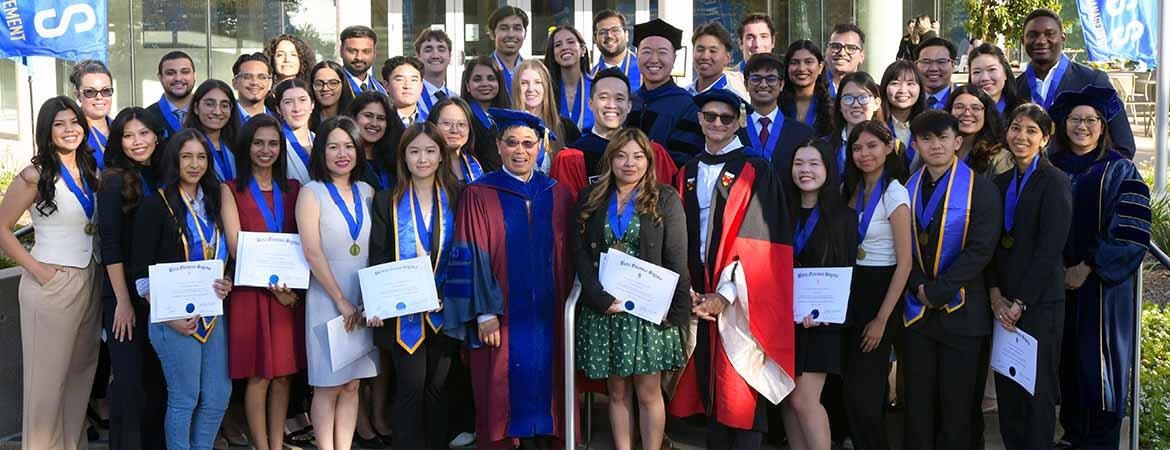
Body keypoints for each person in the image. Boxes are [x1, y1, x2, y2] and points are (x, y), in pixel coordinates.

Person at [667, 89, 795, 450]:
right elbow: (677, 235)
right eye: (710, 117)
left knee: (741, 388)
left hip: (740, 298)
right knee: (709, 392)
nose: (717, 124)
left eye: (726, 118)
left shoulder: (756, 169)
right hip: (698, 295)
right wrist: (689, 290)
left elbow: (761, 243)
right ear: (700, 120)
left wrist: (724, 295)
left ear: (738, 122)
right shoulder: (688, 171)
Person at [442, 108, 575, 450]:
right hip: (500, 315)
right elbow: (470, 253)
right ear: (499, 146)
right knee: (500, 390)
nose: (520, 151)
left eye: (528, 144)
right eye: (512, 142)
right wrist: (484, 313)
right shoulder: (479, 193)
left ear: (539, 147)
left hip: (547, 315)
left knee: (549, 386)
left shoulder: (557, 193)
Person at [572, 127, 689, 450]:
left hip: (648, 314)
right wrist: (598, 297)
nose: (629, 163)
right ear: (610, 160)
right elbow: (579, 253)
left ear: (648, 160)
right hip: (607, 309)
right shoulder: (591, 197)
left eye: (638, 156)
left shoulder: (665, 198)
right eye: (621, 156)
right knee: (617, 392)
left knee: (648, 393)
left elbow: (677, 258)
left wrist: (676, 313)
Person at [1047, 86, 1150, 450]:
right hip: (1056, 286)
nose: (1082, 126)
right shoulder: (1051, 167)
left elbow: (1131, 230)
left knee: (1100, 368)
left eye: (1091, 120)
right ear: (1063, 124)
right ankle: (1072, 436)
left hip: (1103, 291)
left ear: (1103, 126)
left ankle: (1099, 442)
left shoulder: (1121, 169)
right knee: (1066, 364)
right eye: (1075, 119)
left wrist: (1088, 265)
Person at [0, 97, 101, 450]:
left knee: (79, 376)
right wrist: (38, 271)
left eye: (74, 122)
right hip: (53, 283)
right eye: (60, 124)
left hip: (90, 277)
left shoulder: (90, 168)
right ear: (47, 130)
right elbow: (2, 228)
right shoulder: (35, 175)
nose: (70, 129)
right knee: (45, 384)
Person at [900, 110, 1001, 450]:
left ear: (958, 141)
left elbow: (981, 250)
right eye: (926, 139)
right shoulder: (907, 189)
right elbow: (902, 249)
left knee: (958, 406)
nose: (935, 146)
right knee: (918, 402)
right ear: (916, 144)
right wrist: (918, 286)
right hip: (918, 314)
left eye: (943, 138)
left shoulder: (981, 189)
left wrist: (939, 290)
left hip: (963, 313)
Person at [130, 128, 235, 450]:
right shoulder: (156, 205)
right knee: (184, 398)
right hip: (172, 318)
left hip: (212, 314)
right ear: (174, 160)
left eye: (201, 157)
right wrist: (167, 315)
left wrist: (227, 280)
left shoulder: (215, 202)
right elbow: (140, 271)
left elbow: (222, 253)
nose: (194, 164)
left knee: (218, 396)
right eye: (186, 156)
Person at [366, 123, 463, 450]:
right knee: (410, 387)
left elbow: (464, 253)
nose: (423, 159)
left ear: (441, 156)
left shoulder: (457, 197)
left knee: (438, 389)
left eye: (430, 151)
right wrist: (376, 302)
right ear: (403, 157)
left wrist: (450, 296)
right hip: (402, 314)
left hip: (444, 310)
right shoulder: (386, 201)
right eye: (415, 151)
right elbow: (379, 256)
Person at [218, 114, 305, 450]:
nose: (265, 150)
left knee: (283, 375)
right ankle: (261, 445)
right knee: (259, 375)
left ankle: (277, 444)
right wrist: (275, 287)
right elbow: (235, 246)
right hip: (252, 292)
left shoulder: (293, 189)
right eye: (258, 143)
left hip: (289, 293)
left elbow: (302, 242)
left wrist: (287, 292)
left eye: (273, 143)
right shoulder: (231, 189)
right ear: (246, 146)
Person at [988, 103, 1072, 450]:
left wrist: (1021, 302)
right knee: (1008, 388)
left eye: (1031, 131)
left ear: (1045, 139)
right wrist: (995, 294)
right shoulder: (1000, 181)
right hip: (1003, 304)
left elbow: (1050, 248)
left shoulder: (1054, 181)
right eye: (1016, 128)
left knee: (1036, 391)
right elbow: (991, 243)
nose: (1021, 136)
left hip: (1039, 303)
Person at [295, 116, 380, 450]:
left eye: (348, 146)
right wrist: (340, 300)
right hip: (327, 297)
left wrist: (370, 300)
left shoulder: (367, 191)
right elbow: (312, 251)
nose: (342, 154)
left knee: (352, 384)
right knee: (328, 384)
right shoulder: (311, 193)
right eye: (333, 147)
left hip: (362, 297)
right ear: (321, 152)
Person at [96, 107, 168, 450]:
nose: (137, 142)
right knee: (129, 384)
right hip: (123, 295)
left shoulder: (165, 175)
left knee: (158, 382)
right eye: (128, 135)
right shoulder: (112, 181)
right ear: (118, 141)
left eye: (144, 133)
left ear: (157, 136)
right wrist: (123, 302)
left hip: (160, 292)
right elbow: (110, 244)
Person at [778, 139, 857, 450]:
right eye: (799, 163)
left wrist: (826, 311)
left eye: (814, 163)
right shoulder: (780, 213)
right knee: (787, 397)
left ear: (828, 169)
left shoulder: (843, 218)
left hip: (823, 324)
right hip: (785, 320)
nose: (805, 170)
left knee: (804, 399)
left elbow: (847, 273)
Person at [840, 121, 912, 450]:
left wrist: (882, 319)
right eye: (857, 148)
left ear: (888, 147)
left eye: (872, 146)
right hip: (851, 288)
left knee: (866, 387)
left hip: (880, 290)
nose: (864, 154)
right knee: (850, 383)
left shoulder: (895, 192)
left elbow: (905, 262)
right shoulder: (852, 188)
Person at [1014, 8, 1135, 158]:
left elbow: (1124, 146)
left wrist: (1088, 171)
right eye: (1033, 35)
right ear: (1023, 41)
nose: (1041, 40)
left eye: (1049, 34)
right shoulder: (1015, 88)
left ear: (1063, 38)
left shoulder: (1093, 81)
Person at [549, 67, 676, 197]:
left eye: (619, 99)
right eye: (603, 97)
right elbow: (564, 207)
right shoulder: (572, 157)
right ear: (590, 104)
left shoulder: (651, 152)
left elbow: (667, 201)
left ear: (629, 106)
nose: (611, 105)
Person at [628, 18, 705, 166]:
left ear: (674, 58)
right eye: (646, 51)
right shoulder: (629, 102)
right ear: (637, 56)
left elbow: (684, 161)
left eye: (662, 52)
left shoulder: (688, 106)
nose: (654, 59)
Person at [736, 53, 814, 169]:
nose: (763, 85)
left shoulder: (802, 133)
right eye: (756, 79)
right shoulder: (733, 130)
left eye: (771, 79)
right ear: (746, 85)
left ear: (781, 85)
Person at [512, 60, 581, 172]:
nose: (531, 89)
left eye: (538, 82)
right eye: (524, 83)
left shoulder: (566, 128)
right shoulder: (505, 129)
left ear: (546, 87)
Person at [946, 84, 1013, 178]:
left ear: (987, 114)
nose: (967, 113)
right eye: (959, 107)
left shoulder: (1000, 158)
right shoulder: (938, 149)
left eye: (975, 108)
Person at [829, 72, 886, 179]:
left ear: (877, 103)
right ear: (839, 105)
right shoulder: (825, 145)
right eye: (848, 98)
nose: (855, 104)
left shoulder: (891, 145)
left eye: (863, 98)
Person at [183, 79, 242, 183]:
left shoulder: (239, 145)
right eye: (209, 104)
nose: (217, 112)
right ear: (196, 108)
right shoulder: (182, 145)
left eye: (224, 105)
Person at [460, 56, 510, 171]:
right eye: (477, 79)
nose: (485, 83)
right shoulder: (462, 118)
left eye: (491, 78)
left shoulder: (508, 117)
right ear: (467, 86)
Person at [545, 25, 595, 131]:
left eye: (570, 42)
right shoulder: (546, 90)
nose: (564, 47)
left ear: (582, 50)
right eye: (558, 45)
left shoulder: (596, 87)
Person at [779, 40, 833, 137]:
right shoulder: (775, 104)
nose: (801, 68)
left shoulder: (833, 107)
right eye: (794, 62)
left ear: (820, 67)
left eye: (808, 62)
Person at [347, 91, 397, 191]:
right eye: (368, 115)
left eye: (381, 118)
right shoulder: (344, 157)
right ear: (353, 117)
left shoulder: (394, 158)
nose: (374, 123)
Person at [428, 97, 486, 183]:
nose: (454, 130)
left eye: (461, 124)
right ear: (433, 125)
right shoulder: (424, 163)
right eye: (447, 123)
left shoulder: (475, 165)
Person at [879, 60, 926, 163]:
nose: (903, 90)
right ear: (885, 87)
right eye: (895, 83)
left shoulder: (928, 126)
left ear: (920, 89)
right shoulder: (876, 125)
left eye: (910, 84)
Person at [71, 60, 114, 171]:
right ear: (78, 95)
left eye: (106, 91)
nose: (99, 97)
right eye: (90, 92)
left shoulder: (121, 128)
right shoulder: (70, 133)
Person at [688, 22, 748, 99]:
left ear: (727, 57)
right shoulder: (683, 95)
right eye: (700, 50)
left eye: (712, 51)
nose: (705, 56)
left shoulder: (734, 99)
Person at [146, 51, 197, 139]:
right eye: (170, 73)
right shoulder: (146, 117)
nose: (178, 78)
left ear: (194, 76)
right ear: (160, 78)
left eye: (185, 72)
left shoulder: (208, 114)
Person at [275, 79, 315, 184]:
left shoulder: (320, 139)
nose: (297, 108)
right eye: (288, 102)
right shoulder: (275, 144)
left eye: (302, 100)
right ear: (278, 109)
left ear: (312, 104)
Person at [591, 9, 640, 89]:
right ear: (595, 39)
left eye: (615, 30)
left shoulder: (643, 72)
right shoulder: (590, 78)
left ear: (626, 35)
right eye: (602, 32)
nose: (609, 36)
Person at [415, 29, 456, 121]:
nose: (435, 56)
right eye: (428, 50)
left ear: (450, 56)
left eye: (441, 49)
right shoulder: (412, 98)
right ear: (418, 56)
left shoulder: (455, 98)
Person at [967, 43, 1019, 116]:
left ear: (1005, 73)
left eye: (992, 69)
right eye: (977, 72)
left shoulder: (1020, 112)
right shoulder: (964, 114)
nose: (985, 78)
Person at [488, 6, 528, 97]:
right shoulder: (480, 71)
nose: (511, 34)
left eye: (517, 28)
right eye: (504, 28)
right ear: (492, 33)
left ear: (525, 33)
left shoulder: (533, 71)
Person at [339, 25, 386, 96]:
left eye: (366, 51)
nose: (359, 57)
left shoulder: (382, 89)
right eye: (352, 51)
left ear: (374, 53)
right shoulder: (333, 89)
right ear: (341, 51)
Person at [915, 37, 957, 110]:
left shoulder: (963, 98)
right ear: (916, 65)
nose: (933, 68)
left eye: (941, 62)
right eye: (926, 62)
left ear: (953, 65)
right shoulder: (907, 99)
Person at [826, 24, 866, 99]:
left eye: (850, 48)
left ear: (862, 56)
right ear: (826, 52)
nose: (842, 53)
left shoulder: (870, 93)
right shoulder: (811, 88)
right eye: (835, 47)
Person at [309, 61, 350, 132]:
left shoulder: (355, 119)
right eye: (319, 84)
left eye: (333, 83)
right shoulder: (305, 121)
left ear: (343, 84)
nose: (325, 89)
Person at [232, 53, 274, 122]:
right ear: (235, 83)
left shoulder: (280, 123)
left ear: (270, 83)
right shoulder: (223, 120)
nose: (255, 82)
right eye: (247, 77)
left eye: (262, 77)